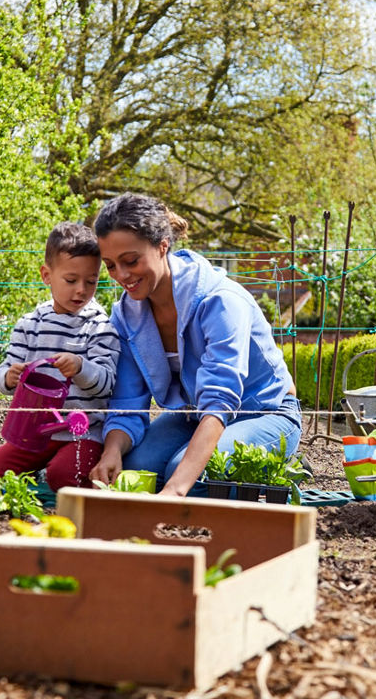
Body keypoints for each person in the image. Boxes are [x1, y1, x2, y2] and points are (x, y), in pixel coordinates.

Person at [88, 193, 302, 496]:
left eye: (131, 261)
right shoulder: (127, 315)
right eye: (110, 266)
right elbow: (127, 401)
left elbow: (219, 400)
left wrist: (175, 490)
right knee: (135, 468)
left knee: (186, 476)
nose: (121, 276)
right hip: (192, 417)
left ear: (162, 246)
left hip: (265, 414)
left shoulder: (220, 302)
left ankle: (273, 465)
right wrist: (112, 452)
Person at [0, 222, 119, 491]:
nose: (81, 290)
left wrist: (80, 367)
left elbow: (106, 383)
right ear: (46, 275)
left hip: (81, 433)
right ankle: (42, 469)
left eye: (91, 281)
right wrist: (8, 377)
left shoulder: (100, 327)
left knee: (64, 479)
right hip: (33, 432)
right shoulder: (30, 324)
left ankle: (58, 468)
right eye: (71, 280)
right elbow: (5, 372)